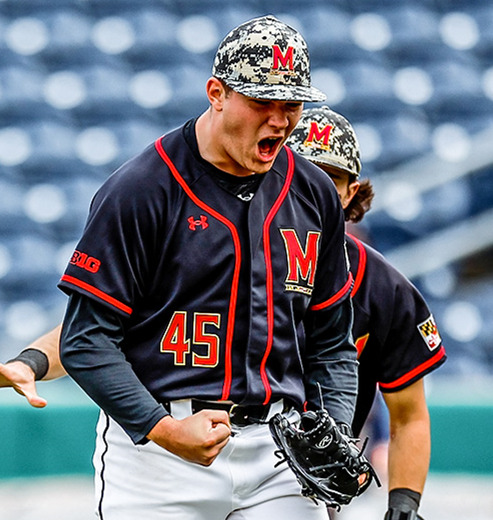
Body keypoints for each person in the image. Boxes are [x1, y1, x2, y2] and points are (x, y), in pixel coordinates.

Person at [2, 16, 359, 520]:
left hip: (280, 454)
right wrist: (163, 430)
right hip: (156, 453)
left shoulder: (313, 192)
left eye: (293, 104)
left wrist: (335, 430)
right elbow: (87, 339)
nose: (280, 120)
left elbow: (332, 342)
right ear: (217, 93)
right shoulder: (142, 189)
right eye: (262, 102)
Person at [286, 106, 447, 520]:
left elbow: (408, 415)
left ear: (351, 192)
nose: (314, 192)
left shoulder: (383, 288)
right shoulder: (224, 254)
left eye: (330, 179)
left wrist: (403, 506)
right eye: (303, 176)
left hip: (314, 475)